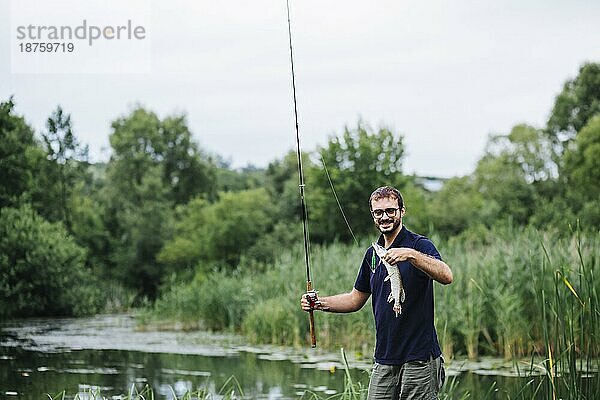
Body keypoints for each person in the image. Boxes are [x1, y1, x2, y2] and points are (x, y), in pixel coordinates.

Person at [300, 186, 453, 400]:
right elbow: (354, 299)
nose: (385, 217)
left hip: (419, 358)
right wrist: (318, 303)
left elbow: (446, 275)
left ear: (402, 211)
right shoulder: (373, 254)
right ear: (373, 215)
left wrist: (410, 256)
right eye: (378, 212)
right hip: (385, 358)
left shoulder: (419, 245)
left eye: (390, 210)